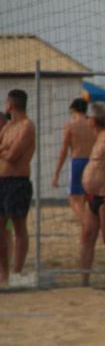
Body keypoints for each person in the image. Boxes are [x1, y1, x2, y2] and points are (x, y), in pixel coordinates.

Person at [79, 102, 105, 288]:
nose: (86, 120)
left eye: (88, 117)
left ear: (94, 120)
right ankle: (84, 280)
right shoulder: (98, 138)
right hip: (92, 196)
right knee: (87, 237)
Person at [0, 89, 36, 285]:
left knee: (18, 227)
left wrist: (4, 150)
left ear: (11, 104)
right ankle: (4, 273)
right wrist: (4, 149)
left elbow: (13, 156)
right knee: (2, 228)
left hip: (17, 181)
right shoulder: (7, 127)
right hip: (3, 181)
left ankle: (16, 272)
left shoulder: (26, 126)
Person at [53, 98, 97, 220]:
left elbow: (64, 151)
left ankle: (86, 223)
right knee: (85, 198)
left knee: (74, 199)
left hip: (78, 162)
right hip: (93, 162)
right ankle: (87, 224)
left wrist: (56, 174)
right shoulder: (93, 125)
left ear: (73, 110)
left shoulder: (70, 126)